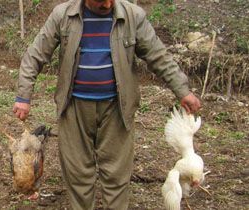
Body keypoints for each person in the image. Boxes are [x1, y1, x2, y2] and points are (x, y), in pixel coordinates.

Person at [13, 0, 201, 209]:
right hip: (74, 108)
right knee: (77, 174)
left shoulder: (133, 16)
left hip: (117, 109)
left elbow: (158, 56)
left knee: (117, 175)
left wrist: (182, 91)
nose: (108, 4)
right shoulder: (63, 15)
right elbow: (35, 55)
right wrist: (23, 97)